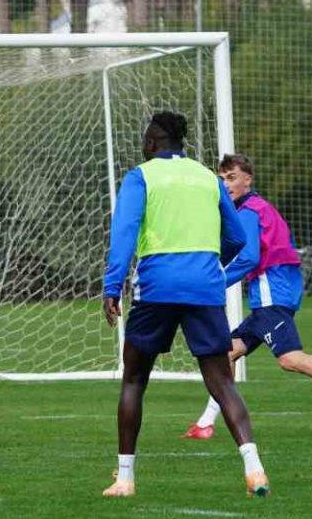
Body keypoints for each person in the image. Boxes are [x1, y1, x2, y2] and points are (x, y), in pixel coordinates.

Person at [102, 112, 266, 498]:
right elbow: (237, 237)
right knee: (222, 382)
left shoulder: (141, 177)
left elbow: (124, 232)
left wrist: (112, 285)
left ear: (152, 143)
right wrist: (206, 263)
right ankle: (255, 469)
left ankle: (125, 479)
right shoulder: (208, 178)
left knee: (134, 379)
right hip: (205, 288)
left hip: (157, 287)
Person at [183, 153, 312, 438]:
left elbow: (248, 258)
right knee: (227, 353)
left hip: (271, 295)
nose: (226, 184)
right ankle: (205, 423)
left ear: (248, 179)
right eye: (221, 179)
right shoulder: (260, 207)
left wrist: (215, 282)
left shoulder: (248, 211)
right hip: (273, 295)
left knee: (289, 359)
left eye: (232, 178)